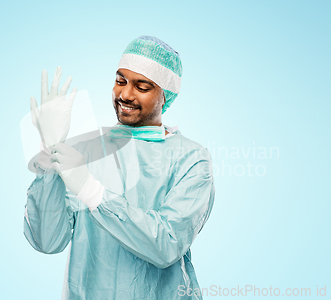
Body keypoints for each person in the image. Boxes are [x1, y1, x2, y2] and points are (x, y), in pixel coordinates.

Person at [24, 36, 216, 300]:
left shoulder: (192, 159)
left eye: (142, 86)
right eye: (120, 81)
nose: (125, 94)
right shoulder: (87, 150)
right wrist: (50, 155)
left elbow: (167, 245)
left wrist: (91, 191)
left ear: (165, 95)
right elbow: (47, 241)